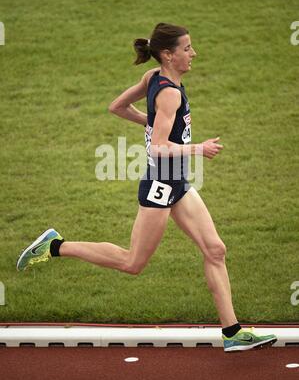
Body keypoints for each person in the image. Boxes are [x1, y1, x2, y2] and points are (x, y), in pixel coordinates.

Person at [17, 22, 277, 352]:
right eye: (186, 49)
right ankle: (55, 246)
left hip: (177, 181)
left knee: (215, 250)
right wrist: (198, 148)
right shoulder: (168, 91)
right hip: (160, 185)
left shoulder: (153, 77)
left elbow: (117, 107)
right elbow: (157, 147)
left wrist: (152, 123)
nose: (193, 53)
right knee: (133, 263)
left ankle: (233, 333)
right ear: (168, 55)